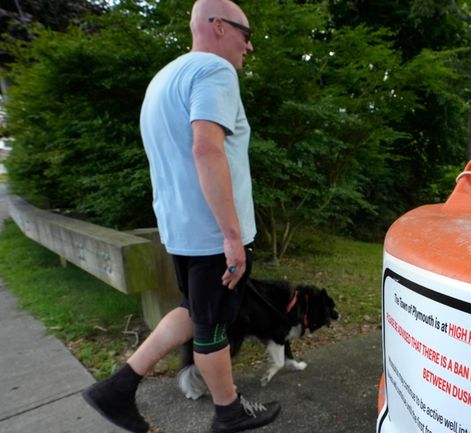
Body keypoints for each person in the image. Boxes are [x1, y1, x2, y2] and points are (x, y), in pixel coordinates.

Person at [82, 1, 280, 432]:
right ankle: (227, 411)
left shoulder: (164, 78)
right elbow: (205, 148)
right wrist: (231, 235)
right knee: (211, 326)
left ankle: (117, 388)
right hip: (212, 235)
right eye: (247, 34)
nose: (249, 47)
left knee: (194, 310)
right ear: (218, 27)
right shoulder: (215, 72)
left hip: (181, 231)